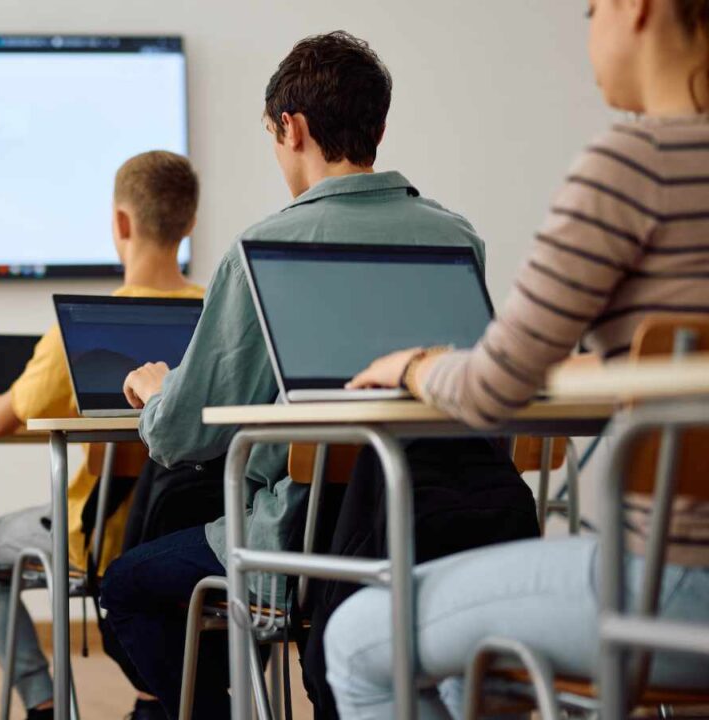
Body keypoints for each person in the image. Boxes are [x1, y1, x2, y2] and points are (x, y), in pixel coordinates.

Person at [328, 0, 709, 715]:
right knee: (469, 667)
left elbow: (492, 390)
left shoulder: (632, 165)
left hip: (671, 590)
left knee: (355, 641)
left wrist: (415, 365)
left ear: (636, 10)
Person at [100, 32, 487, 719]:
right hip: (449, 526)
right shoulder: (459, 238)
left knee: (128, 587)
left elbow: (183, 437)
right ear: (379, 126)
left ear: (292, 126)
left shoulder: (265, 248)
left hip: (310, 541)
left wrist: (158, 395)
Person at [0, 151, 204, 720]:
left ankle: (42, 703)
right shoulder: (218, 315)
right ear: (189, 224)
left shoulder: (85, 327)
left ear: (121, 224)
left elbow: (6, 416)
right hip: (197, 531)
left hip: (103, 540)